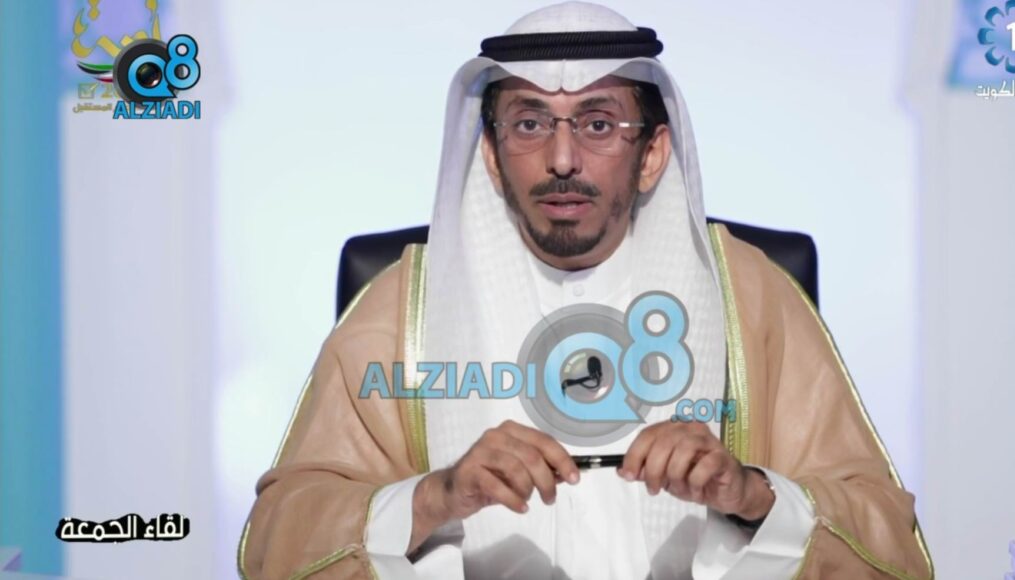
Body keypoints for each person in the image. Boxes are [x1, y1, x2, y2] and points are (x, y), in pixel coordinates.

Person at [238, 2, 933, 579]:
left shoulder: (750, 295)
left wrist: (750, 494)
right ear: (491, 154)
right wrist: (435, 496)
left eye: (599, 124)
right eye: (530, 124)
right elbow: (275, 541)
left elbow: (890, 544)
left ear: (652, 153)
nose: (563, 159)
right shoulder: (403, 309)